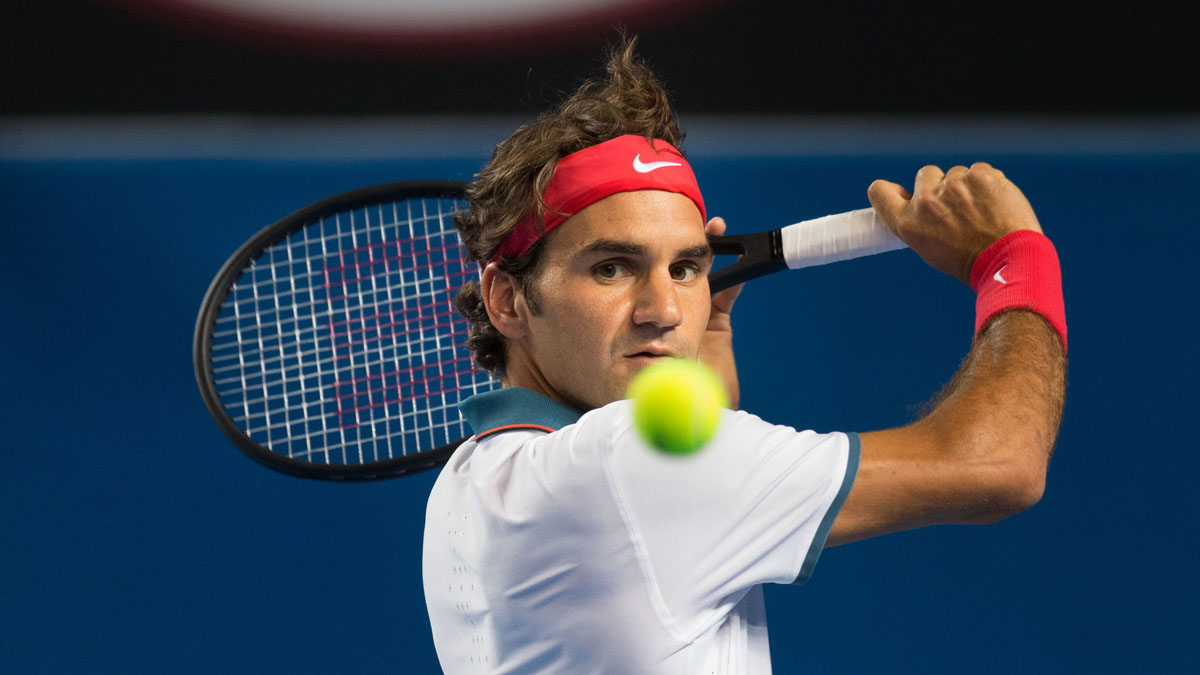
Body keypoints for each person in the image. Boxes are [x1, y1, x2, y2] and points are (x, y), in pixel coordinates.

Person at [422, 37, 1066, 673]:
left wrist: (710, 361)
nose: (664, 310)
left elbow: (662, 560)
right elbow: (999, 466)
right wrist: (1013, 258)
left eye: (684, 268)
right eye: (613, 268)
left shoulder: (466, 485)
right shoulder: (626, 463)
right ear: (506, 300)